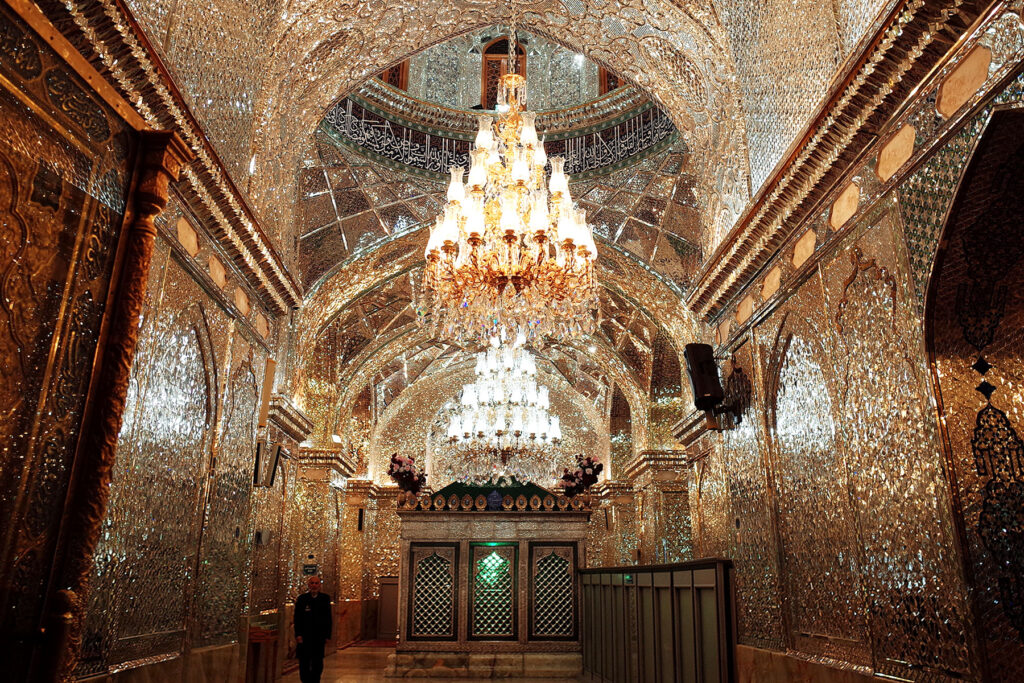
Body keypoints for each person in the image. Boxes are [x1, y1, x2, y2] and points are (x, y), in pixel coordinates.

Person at [294, 575, 332, 683]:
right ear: (308, 585)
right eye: (312, 583)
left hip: (319, 636)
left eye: (316, 583)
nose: (314, 585)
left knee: (317, 661)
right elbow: (297, 618)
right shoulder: (302, 599)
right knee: (304, 661)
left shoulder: (325, 599)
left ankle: (315, 680)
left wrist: (327, 635)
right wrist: (298, 634)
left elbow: (328, 618)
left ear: (319, 585)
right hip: (305, 636)